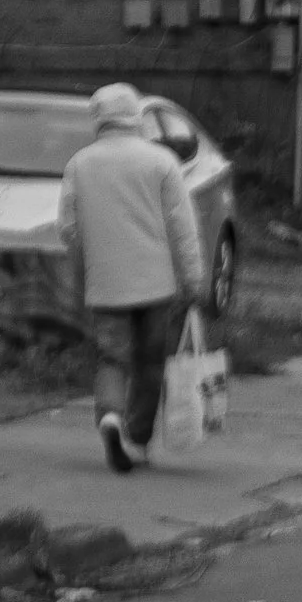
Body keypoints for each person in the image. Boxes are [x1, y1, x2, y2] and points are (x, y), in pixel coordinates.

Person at [56, 82, 203, 475]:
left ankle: (110, 416)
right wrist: (193, 279)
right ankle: (137, 439)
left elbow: (68, 228)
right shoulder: (161, 161)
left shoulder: (80, 164)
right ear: (136, 115)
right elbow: (182, 227)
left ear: (98, 118)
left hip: (106, 283)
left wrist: (84, 268)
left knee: (112, 358)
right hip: (157, 284)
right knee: (150, 362)